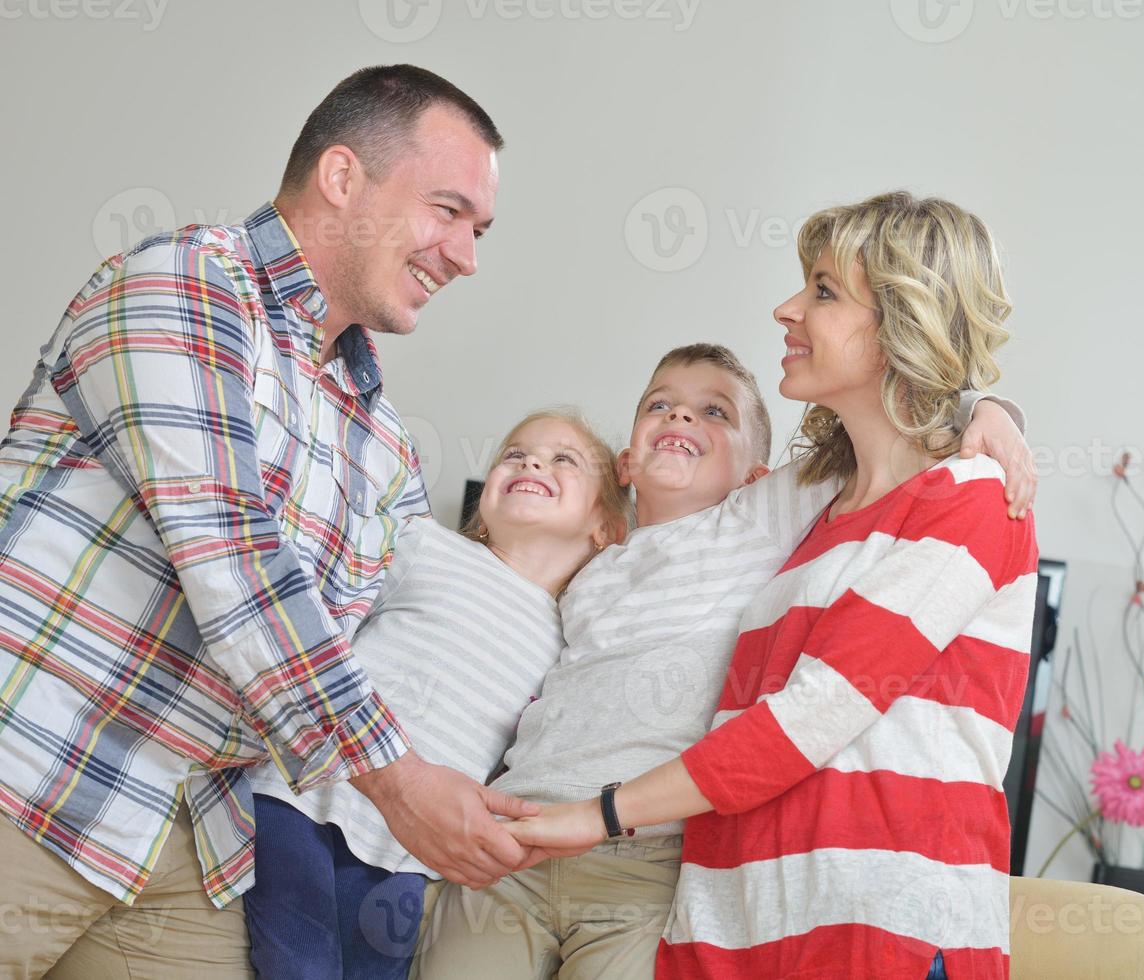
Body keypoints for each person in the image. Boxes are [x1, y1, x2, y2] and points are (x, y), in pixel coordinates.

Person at [0, 65, 536, 978]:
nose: (465, 256)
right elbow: (235, 560)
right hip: (33, 774)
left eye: (478, 231)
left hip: (192, 842)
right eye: (447, 211)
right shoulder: (185, 284)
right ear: (341, 178)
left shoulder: (381, 441)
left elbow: (423, 623)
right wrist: (398, 783)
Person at [504, 192, 1039, 980]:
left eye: (822, 291)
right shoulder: (813, 515)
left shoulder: (970, 497)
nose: (787, 309)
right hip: (738, 930)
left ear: (901, 319)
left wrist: (598, 813)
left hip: (876, 932)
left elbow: (811, 717)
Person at [242, 410, 630, 979]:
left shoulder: (575, 636)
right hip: (303, 794)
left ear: (606, 528)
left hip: (414, 850)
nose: (530, 461)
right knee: (299, 962)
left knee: (380, 969)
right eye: (513, 453)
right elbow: (332, 612)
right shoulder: (425, 544)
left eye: (563, 459)